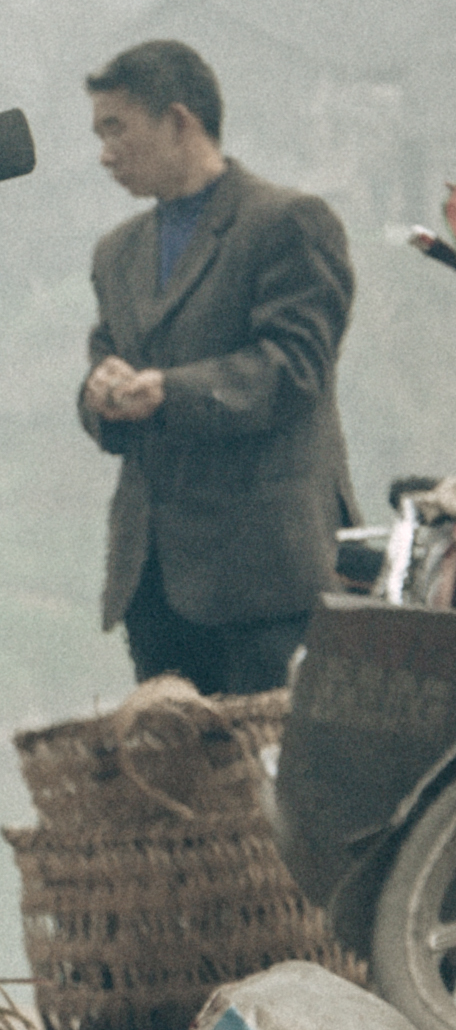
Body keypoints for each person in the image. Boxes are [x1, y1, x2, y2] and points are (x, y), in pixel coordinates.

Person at [78, 37, 354, 695]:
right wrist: (102, 396)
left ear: (180, 121)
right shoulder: (118, 253)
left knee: (266, 782)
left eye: (117, 128)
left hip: (266, 578)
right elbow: (103, 366)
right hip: (153, 580)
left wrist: (168, 393)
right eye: (98, 133)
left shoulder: (287, 223)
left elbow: (293, 367)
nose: (104, 153)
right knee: (176, 782)